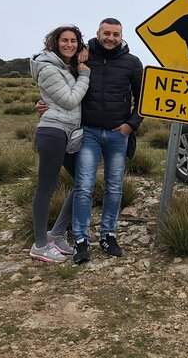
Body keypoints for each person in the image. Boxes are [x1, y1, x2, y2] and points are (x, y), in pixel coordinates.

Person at [46, 18, 143, 264]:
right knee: (84, 186)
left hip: (117, 135)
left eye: (116, 34)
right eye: (106, 33)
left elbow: (142, 99)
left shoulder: (132, 63)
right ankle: (81, 239)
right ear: (98, 34)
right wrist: (43, 103)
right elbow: (62, 85)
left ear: (122, 36)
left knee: (114, 187)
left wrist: (130, 126)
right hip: (88, 132)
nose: (111, 38)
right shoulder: (83, 57)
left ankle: (108, 235)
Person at [29, 25, 90, 263]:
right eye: (65, 40)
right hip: (53, 131)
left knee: (83, 183)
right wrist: (84, 75)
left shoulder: (66, 66)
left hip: (69, 132)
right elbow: (69, 99)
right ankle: (40, 245)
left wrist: (84, 53)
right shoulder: (48, 67)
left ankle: (57, 233)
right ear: (55, 43)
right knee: (46, 188)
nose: (69, 45)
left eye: (74, 41)